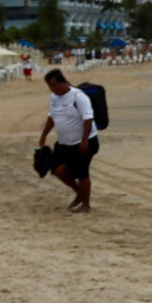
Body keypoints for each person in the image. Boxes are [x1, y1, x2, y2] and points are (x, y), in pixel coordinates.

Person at [39, 69, 99, 213]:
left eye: (55, 85)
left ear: (63, 82)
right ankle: (79, 193)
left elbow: (88, 119)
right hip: (64, 143)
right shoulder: (53, 97)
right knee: (56, 170)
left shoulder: (79, 97)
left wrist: (84, 141)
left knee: (82, 173)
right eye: (50, 86)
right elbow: (51, 117)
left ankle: (86, 205)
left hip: (84, 142)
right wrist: (44, 135)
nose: (53, 88)